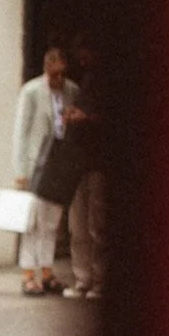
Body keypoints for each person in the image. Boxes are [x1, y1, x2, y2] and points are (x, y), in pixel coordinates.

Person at [11, 44, 79, 294]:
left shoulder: (72, 90)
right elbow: (20, 132)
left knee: (51, 221)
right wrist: (20, 169)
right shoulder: (30, 92)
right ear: (45, 70)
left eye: (62, 73)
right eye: (54, 74)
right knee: (32, 221)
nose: (58, 79)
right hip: (36, 162)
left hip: (59, 162)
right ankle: (28, 274)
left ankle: (47, 272)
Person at [62, 41, 106, 299]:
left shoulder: (104, 83)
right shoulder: (82, 83)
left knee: (96, 225)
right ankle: (83, 278)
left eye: (84, 50)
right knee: (78, 224)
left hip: (98, 161)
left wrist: (85, 117)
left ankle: (99, 280)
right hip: (81, 161)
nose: (80, 56)